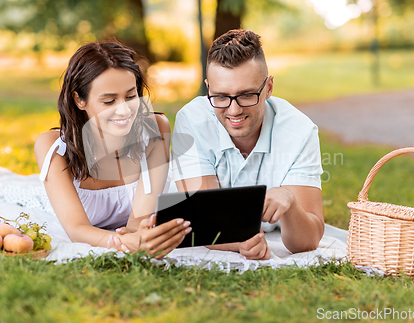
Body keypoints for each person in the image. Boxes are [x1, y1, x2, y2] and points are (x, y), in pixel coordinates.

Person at [171, 29, 324, 259]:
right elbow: (202, 219)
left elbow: (307, 242)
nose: (234, 111)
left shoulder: (300, 131)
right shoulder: (192, 121)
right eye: (221, 97)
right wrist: (238, 241)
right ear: (208, 88)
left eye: (246, 95)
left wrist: (291, 204)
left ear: (269, 88)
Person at [34, 40, 191, 258]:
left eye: (130, 96)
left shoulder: (155, 129)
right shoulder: (53, 147)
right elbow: (76, 229)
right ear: (79, 100)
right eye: (109, 101)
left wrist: (138, 237)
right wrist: (124, 242)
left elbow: (138, 220)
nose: (124, 110)